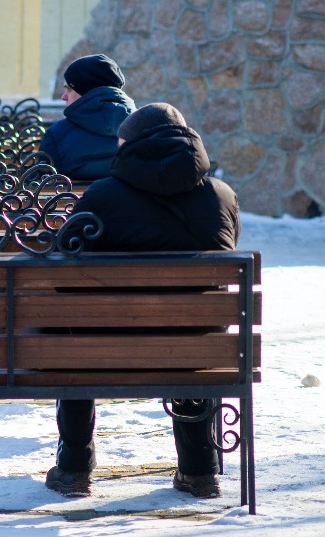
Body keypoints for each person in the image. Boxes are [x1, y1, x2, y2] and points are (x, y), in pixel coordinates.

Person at [45, 102, 241, 499]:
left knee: (71, 335)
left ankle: (74, 467)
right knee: (193, 329)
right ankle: (200, 470)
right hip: (194, 347)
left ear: (131, 146)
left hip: (103, 349)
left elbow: (61, 271)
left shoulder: (101, 195)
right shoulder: (221, 196)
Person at [39, 54, 135, 181]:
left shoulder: (57, 135)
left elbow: (36, 186)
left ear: (85, 91)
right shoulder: (146, 129)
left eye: (69, 89)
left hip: (77, 201)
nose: (63, 96)